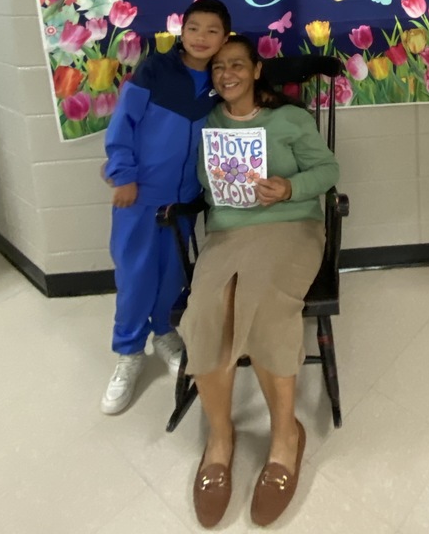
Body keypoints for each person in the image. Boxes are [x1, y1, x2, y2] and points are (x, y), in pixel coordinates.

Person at [180, 35, 339, 528]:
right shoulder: (209, 125)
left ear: (254, 70)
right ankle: (220, 438)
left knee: (269, 305)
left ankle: (285, 437)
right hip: (231, 231)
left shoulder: (290, 120)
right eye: (218, 67)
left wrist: (290, 186)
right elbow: (209, 189)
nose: (226, 73)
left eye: (236, 65)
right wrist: (223, 181)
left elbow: (328, 169)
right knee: (207, 309)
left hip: (292, 226)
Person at [100, 0, 232, 415]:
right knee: (136, 273)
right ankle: (128, 354)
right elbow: (124, 123)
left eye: (213, 31)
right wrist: (123, 174)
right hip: (139, 194)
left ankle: (164, 334)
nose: (201, 38)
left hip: (186, 200)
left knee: (173, 272)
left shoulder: (219, 80)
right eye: (194, 28)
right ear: (182, 31)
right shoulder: (155, 69)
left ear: (224, 38)